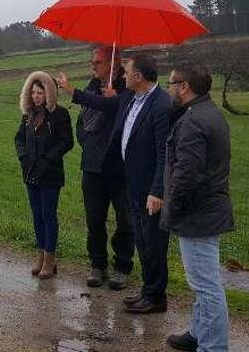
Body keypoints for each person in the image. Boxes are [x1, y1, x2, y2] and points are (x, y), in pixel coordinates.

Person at [59, 54, 172, 313]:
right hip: (121, 176)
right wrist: (72, 91)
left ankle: (155, 295)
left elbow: (163, 153)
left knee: (150, 239)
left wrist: (157, 190)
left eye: (127, 71)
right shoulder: (131, 97)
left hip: (144, 184)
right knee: (141, 238)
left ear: (138, 76)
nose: (122, 75)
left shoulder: (160, 104)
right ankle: (149, 292)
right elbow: (100, 104)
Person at [162, 65, 234, 352]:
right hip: (209, 208)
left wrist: (173, 209)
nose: (167, 88)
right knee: (203, 281)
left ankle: (213, 346)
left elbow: (186, 174)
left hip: (197, 213)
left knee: (206, 285)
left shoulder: (193, 121)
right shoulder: (209, 113)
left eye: (170, 83)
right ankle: (197, 332)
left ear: (184, 86)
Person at [73, 47, 134, 290]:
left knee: (125, 220)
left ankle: (122, 266)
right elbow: (81, 123)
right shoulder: (90, 87)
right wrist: (87, 144)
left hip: (121, 168)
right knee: (94, 219)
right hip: (93, 167)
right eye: (92, 62)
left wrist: (114, 100)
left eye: (97, 62)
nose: (93, 66)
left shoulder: (129, 88)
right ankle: (97, 264)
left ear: (114, 63)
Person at [15, 71, 74, 279]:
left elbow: (66, 142)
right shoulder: (27, 116)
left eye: (40, 93)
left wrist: (48, 159)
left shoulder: (60, 115)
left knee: (49, 215)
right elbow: (19, 140)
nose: (36, 96)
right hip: (31, 172)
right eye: (33, 93)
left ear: (49, 93)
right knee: (37, 216)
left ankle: (50, 259)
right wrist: (25, 157)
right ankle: (39, 255)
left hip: (50, 174)